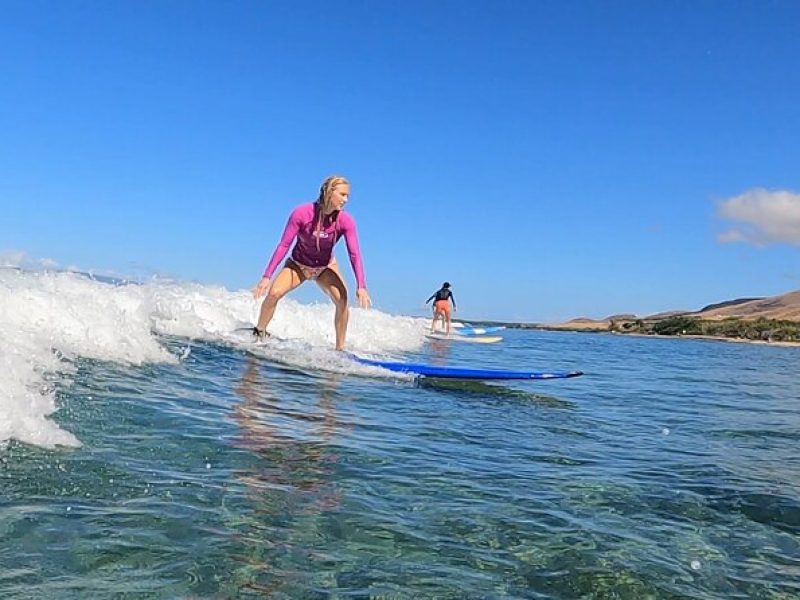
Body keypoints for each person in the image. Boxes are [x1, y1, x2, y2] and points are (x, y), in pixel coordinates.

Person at [252, 175, 371, 350]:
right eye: (343, 195)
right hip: (297, 265)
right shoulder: (302, 213)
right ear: (329, 192)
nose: (346, 200)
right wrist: (266, 276)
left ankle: (340, 349)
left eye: (348, 196)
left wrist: (361, 286)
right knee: (274, 293)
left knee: (342, 301)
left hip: (325, 267)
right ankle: (259, 332)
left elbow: (355, 254)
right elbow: (284, 244)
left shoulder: (346, 221)